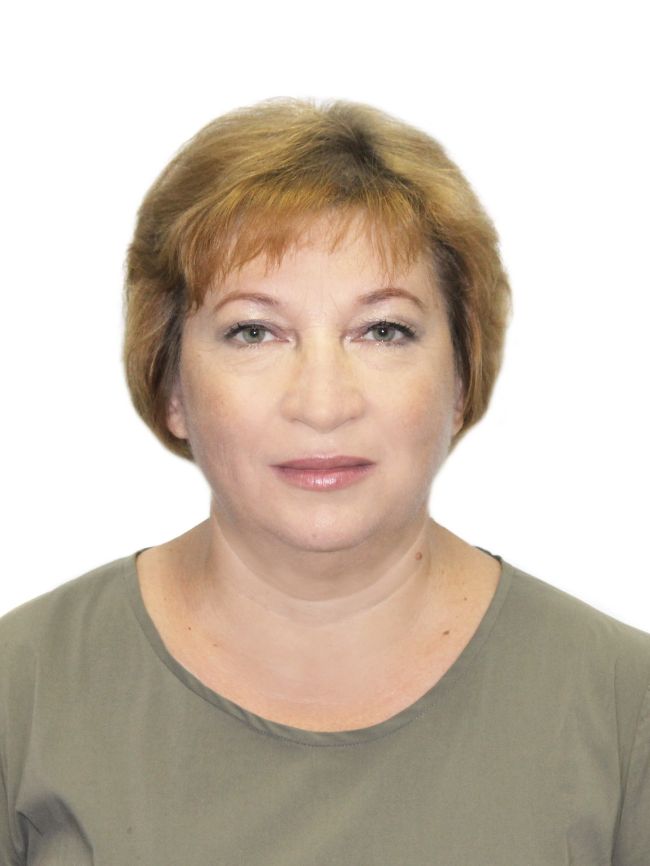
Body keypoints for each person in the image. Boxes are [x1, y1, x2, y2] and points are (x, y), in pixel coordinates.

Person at [1, 96, 648, 865]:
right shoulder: (22, 694)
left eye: (382, 330)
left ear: (462, 378)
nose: (322, 403)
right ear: (170, 383)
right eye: (254, 331)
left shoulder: (625, 709)